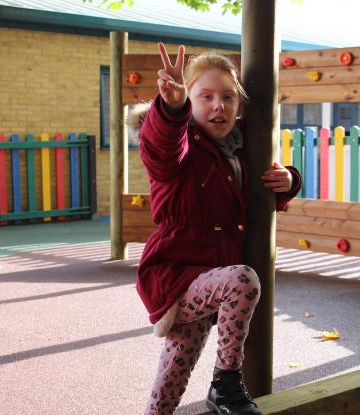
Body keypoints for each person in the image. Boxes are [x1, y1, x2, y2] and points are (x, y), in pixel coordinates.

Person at [135, 42, 301, 415]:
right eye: (205, 96)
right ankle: (225, 383)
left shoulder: (241, 151)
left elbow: (252, 201)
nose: (218, 106)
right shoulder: (180, 147)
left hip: (210, 275)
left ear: (239, 105)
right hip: (176, 272)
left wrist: (288, 180)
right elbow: (162, 146)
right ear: (189, 104)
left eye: (228, 97)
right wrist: (172, 108)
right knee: (243, 280)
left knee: (173, 373)